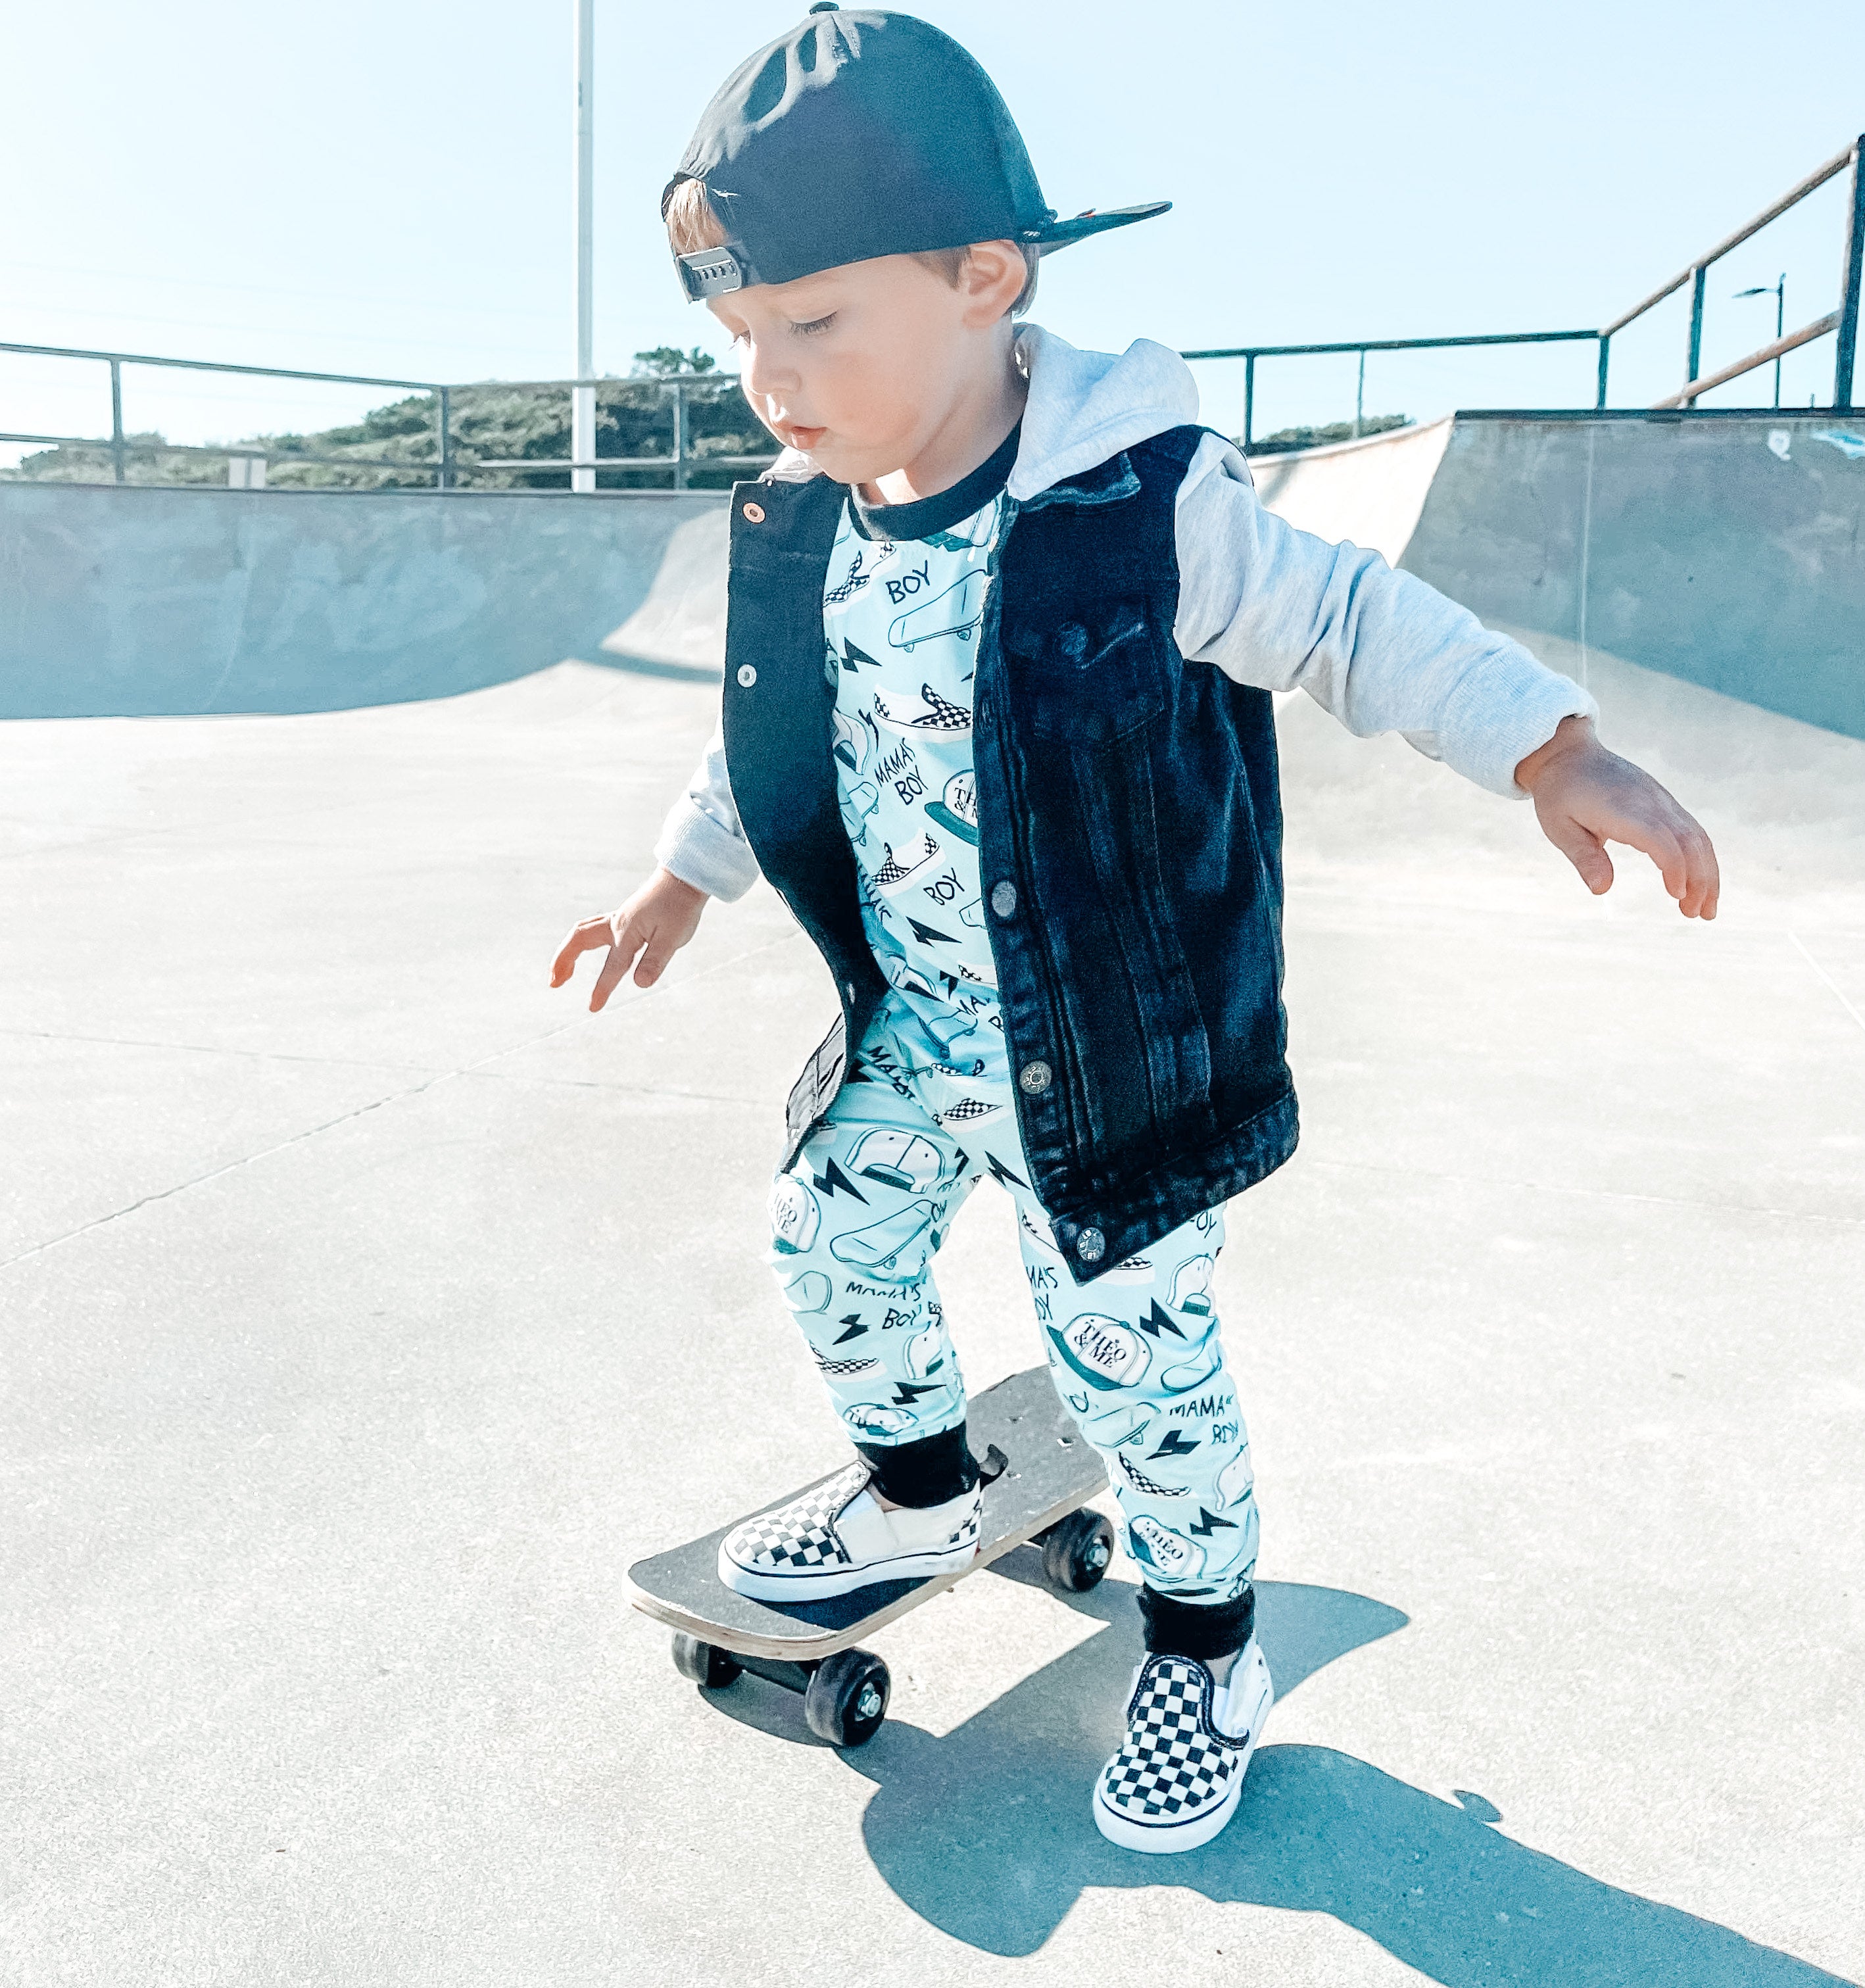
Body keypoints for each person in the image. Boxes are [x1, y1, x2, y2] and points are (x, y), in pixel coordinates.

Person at [550, 6, 1719, 1855]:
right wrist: (678, 879)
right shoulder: (812, 522)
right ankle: (922, 1485)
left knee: (1131, 1357)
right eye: (742, 337)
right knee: (825, 1238)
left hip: (1106, 1052)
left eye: (817, 323)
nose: (769, 379)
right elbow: (782, 725)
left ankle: (1201, 1641)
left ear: (983, 279)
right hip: (910, 1027)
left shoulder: (1142, 500)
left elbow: (1347, 619)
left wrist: (1547, 746)